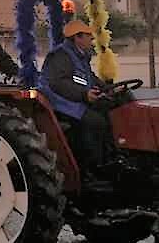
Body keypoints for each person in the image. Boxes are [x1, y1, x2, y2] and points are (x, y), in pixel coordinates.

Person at [38, 21, 114, 180]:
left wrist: (108, 89)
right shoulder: (60, 55)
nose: (91, 39)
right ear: (77, 37)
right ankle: (91, 168)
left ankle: (112, 157)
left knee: (111, 109)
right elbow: (59, 83)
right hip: (60, 102)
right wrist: (84, 95)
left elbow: (89, 77)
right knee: (95, 122)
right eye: (88, 35)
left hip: (76, 98)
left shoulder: (80, 55)